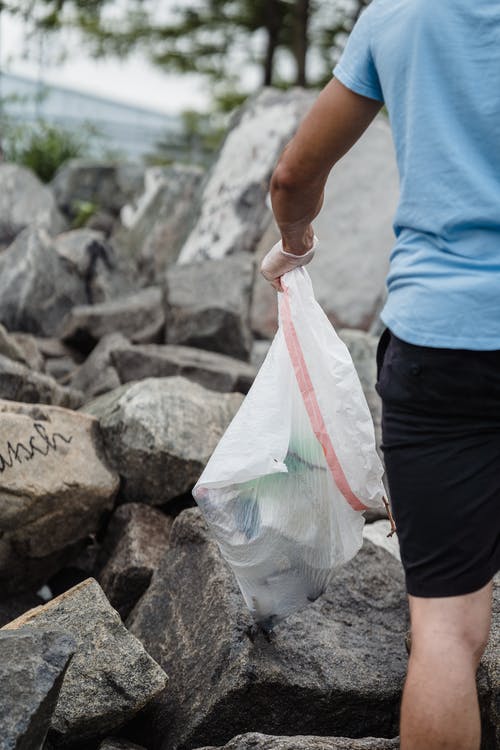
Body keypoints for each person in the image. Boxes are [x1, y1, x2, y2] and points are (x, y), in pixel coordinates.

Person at [260, 2, 500, 749]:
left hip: (441, 345)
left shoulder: (400, 14)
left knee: (445, 629)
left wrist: (294, 240)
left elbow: (294, 172)